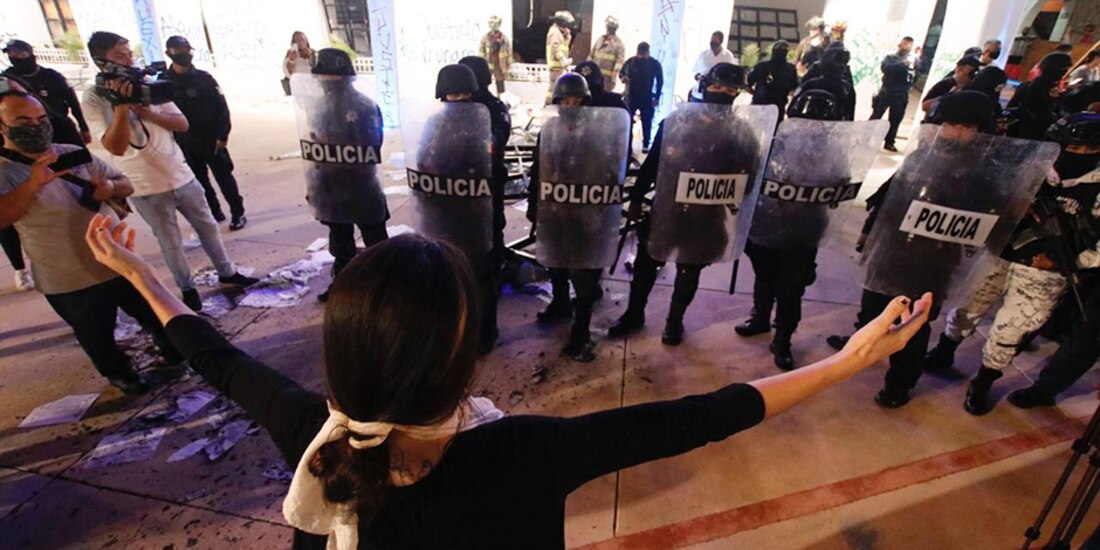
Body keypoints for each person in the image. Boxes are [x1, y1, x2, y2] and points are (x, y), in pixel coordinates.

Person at [83, 205, 930, 548]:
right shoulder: (523, 451)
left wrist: (141, 275)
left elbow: (217, 357)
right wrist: (848, 361)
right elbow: (704, 415)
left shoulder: (314, 435)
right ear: (460, 366)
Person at [828, 92, 1009, 409]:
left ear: (981, 131)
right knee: (872, 308)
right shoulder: (921, 157)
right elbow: (890, 199)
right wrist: (870, 231)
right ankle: (864, 341)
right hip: (893, 251)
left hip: (935, 262)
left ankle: (899, 384)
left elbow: (989, 223)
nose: (955, 133)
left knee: (913, 327)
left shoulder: (985, 175)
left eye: (966, 127)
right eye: (949, 124)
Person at [0, 92, 181, 394]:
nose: (35, 126)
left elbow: (125, 184)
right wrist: (32, 183)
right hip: (68, 277)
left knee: (154, 312)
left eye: (41, 119)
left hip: (118, 261)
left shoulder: (72, 153)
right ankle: (123, 376)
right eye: (23, 121)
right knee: (96, 334)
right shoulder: (4, 171)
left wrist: (109, 187)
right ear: (2, 127)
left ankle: (173, 352)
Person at [923, 112, 1100, 415]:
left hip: (1045, 269)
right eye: (1069, 146)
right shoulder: (1035, 166)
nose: (1075, 153)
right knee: (968, 305)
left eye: (1085, 149)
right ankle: (944, 352)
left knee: (1013, 328)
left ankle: (983, 382)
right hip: (1001, 250)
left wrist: (1069, 261)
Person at [81, 31, 257, 311]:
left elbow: (181, 123)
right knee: (170, 241)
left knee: (208, 226)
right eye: (120, 56)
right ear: (101, 61)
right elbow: (114, 146)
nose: (128, 60)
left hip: (180, 173)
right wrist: (122, 108)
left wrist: (149, 112)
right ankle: (187, 289)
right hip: (145, 185)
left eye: (129, 54)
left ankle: (227, 272)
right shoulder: (93, 98)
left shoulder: (148, 86)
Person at [609, 63, 755, 346]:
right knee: (646, 263)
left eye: (730, 90)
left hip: (707, 215)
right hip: (669, 209)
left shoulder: (742, 133)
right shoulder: (677, 123)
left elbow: (748, 179)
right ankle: (634, 314)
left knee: (690, 271)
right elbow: (652, 165)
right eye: (717, 87)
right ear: (705, 87)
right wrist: (637, 197)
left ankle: (674, 321)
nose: (723, 94)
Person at [737, 87, 858, 370]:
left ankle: (782, 340)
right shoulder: (774, 143)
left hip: (803, 230)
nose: (810, 128)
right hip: (767, 224)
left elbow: (841, 184)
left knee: (790, 289)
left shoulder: (834, 152)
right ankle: (760, 318)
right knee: (765, 277)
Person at [527, 73, 625, 361]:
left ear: (586, 101)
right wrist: (535, 206)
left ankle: (580, 330)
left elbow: (611, 173)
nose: (571, 106)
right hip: (556, 210)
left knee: (584, 276)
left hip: (586, 212)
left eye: (577, 101)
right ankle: (559, 303)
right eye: (565, 101)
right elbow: (539, 168)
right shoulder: (550, 129)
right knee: (556, 263)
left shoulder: (600, 132)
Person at [296, 48, 390, 303]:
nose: (322, 81)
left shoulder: (364, 106)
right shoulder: (316, 107)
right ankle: (344, 284)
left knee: (376, 241)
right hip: (330, 185)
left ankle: (386, 286)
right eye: (320, 77)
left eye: (326, 76)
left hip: (360, 184)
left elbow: (373, 144)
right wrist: (314, 185)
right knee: (340, 243)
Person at [158, 36, 247, 231]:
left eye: (187, 49)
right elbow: (161, 114)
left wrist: (222, 135)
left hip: (211, 139)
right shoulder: (164, 83)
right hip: (185, 141)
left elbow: (222, 108)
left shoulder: (205, 78)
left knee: (224, 177)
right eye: (179, 50)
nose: (185, 53)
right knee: (199, 182)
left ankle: (238, 213)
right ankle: (214, 213)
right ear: (169, 53)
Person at [3, 39, 91, 147]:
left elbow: (72, 101)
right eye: (11, 54)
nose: (15, 57)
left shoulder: (52, 76)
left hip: (60, 127)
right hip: (30, 132)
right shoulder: (7, 80)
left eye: (20, 54)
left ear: (30, 54)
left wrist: (83, 127)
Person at [1007, 52, 1073, 140]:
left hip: (1017, 130)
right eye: (1065, 69)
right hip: (1037, 133)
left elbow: (1011, 107)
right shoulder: (1051, 89)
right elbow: (1051, 112)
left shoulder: (1026, 85)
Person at [870, 36, 915, 152]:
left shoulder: (912, 60)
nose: (906, 47)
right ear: (900, 44)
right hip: (886, 92)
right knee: (876, 116)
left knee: (895, 120)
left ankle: (889, 142)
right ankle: (865, 137)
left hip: (901, 94)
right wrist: (903, 64)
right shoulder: (891, 58)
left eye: (909, 45)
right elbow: (886, 68)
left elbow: (918, 71)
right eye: (905, 44)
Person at [620, 42, 662, 152]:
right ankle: (628, 145)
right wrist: (623, 78)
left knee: (647, 122)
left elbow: (660, 81)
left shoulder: (654, 64)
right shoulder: (631, 62)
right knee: (628, 121)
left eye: (644, 54)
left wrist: (657, 97)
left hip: (647, 97)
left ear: (648, 52)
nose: (641, 57)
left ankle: (646, 144)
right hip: (631, 97)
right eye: (640, 54)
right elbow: (622, 72)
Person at [795, 44, 856, 121]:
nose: (842, 67)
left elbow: (849, 116)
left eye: (844, 62)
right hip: (809, 122)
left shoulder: (847, 89)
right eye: (839, 61)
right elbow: (793, 108)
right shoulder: (811, 83)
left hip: (834, 124)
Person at [747, 40, 799, 122]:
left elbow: (747, 85)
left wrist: (756, 94)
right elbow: (794, 88)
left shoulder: (761, 66)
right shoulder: (790, 69)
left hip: (770, 107)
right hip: (769, 107)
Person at [689, 31, 736, 101]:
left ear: (721, 41)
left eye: (715, 40)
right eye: (711, 40)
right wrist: (699, 77)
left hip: (717, 95)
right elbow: (695, 72)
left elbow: (731, 75)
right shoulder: (703, 54)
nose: (712, 42)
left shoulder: (728, 56)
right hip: (700, 94)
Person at [478, 15, 513, 95]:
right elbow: (481, 51)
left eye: (496, 23)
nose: (493, 25)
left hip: (499, 63)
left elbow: (509, 52)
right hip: (488, 62)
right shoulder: (485, 37)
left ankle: (501, 97)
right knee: (485, 81)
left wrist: (508, 65)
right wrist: (481, 63)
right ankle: (484, 96)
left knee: (500, 82)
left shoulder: (503, 38)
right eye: (491, 23)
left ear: (499, 24)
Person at [545, 11, 574, 104]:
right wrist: (563, 60)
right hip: (556, 66)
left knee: (556, 87)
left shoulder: (560, 33)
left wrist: (567, 36)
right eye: (566, 23)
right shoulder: (555, 32)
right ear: (561, 22)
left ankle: (552, 104)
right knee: (554, 88)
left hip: (559, 67)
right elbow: (555, 47)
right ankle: (549, 104)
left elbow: (564, 47)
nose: (568, 25)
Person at [591, 16, 625, 89]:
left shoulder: (618, 44)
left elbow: (620, 61)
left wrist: (615, 72)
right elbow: (592, 55)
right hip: (595, 76)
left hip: (607, 79)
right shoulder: (600, 40)